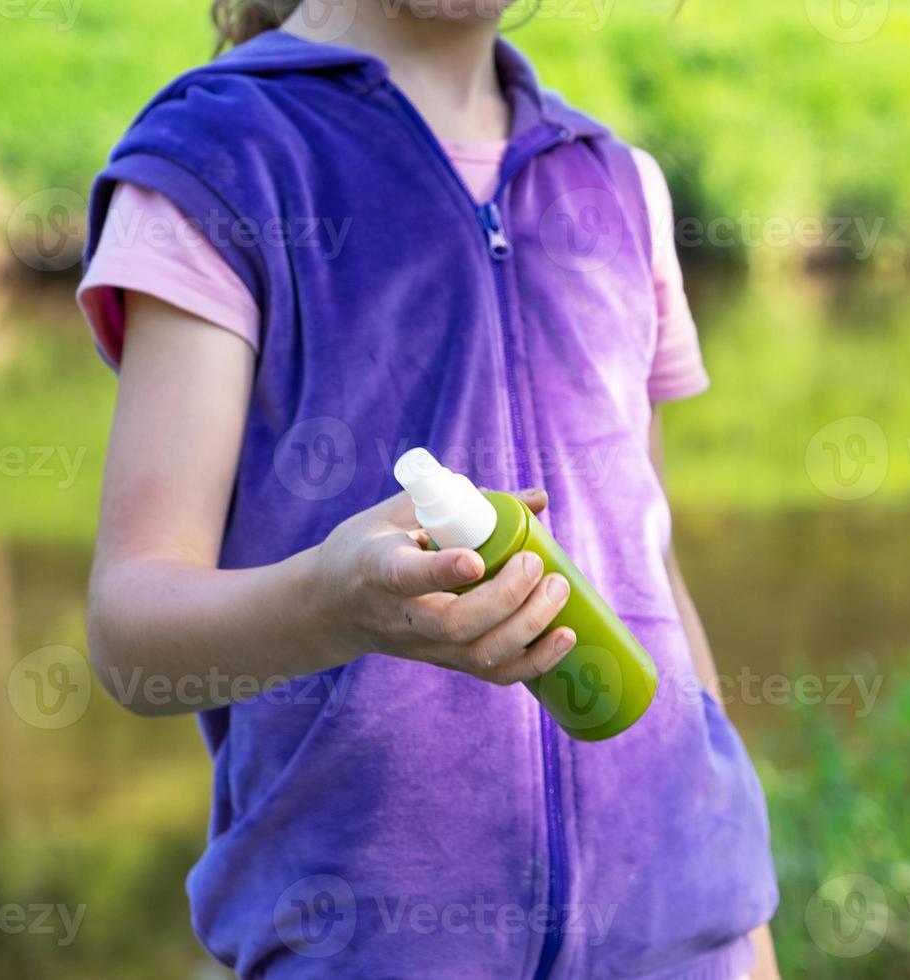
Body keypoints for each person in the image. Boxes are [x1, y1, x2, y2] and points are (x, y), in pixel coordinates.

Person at [76, 1, 780, 976]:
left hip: (682, 938)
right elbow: (130, 630)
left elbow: (652, 573)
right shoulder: (216, 165)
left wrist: (745, 916)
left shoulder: (616, 184)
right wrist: (334, 605)